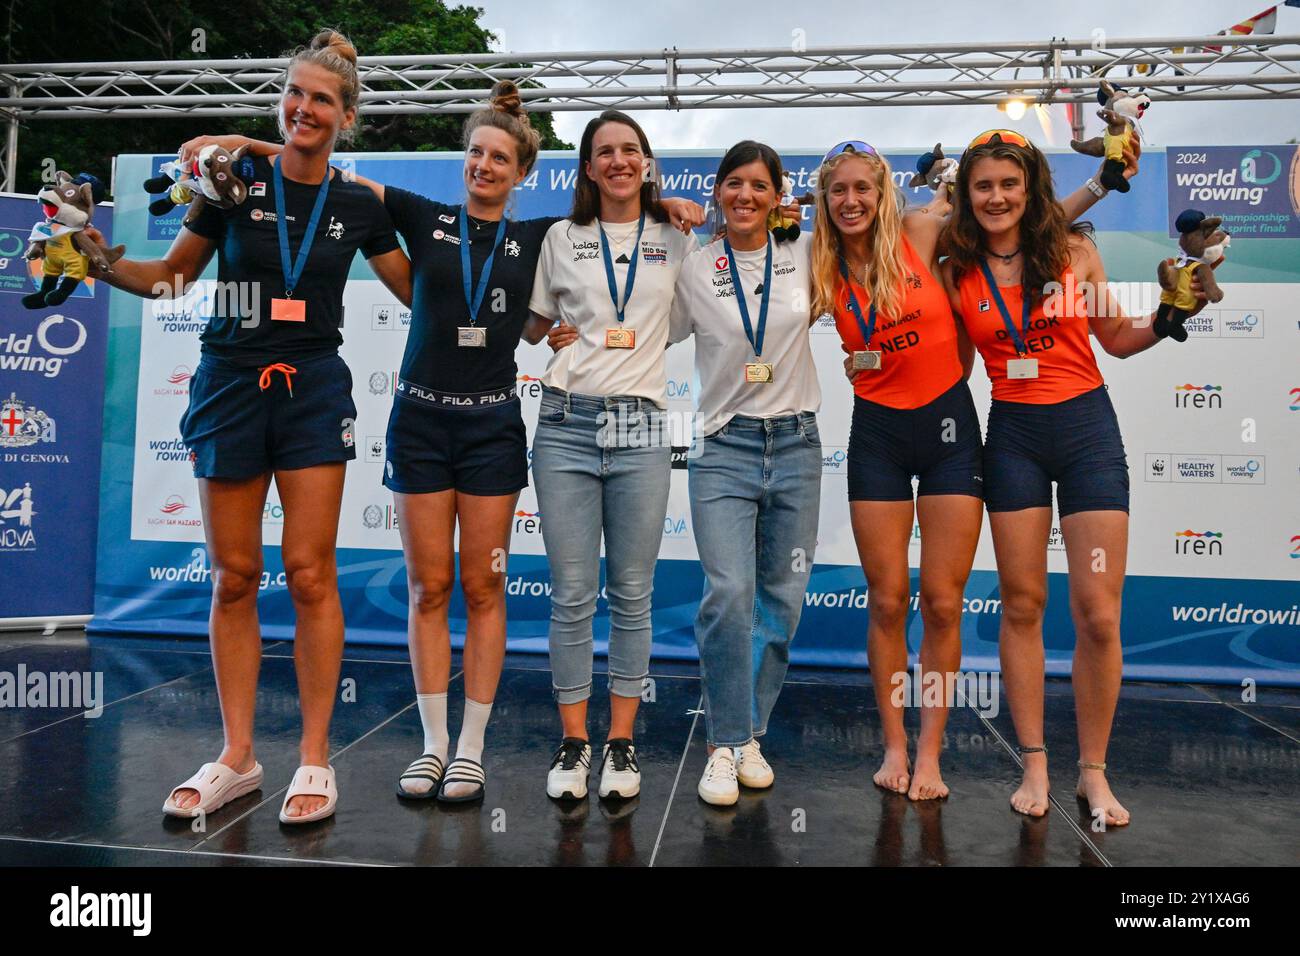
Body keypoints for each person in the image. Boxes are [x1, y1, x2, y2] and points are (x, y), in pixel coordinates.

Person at [90, 30, 412, 824]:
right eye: (295, 94)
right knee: (234, 576)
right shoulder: (232, 184)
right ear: (282, 100)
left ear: (348, 115)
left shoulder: (359, 203)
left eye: (323, 100)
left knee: (309, 574)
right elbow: (171, 279)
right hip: (230, 384)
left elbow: (421, 291)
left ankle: (312, 758)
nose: (305, 108)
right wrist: (98, 262)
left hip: (313, 390)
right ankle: (237, 754)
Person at [815, 137, 1139, 800]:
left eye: (862, 188)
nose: (851, 201)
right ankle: (899, 747)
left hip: (953, 431)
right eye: (838, 190)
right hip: (880, 431)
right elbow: (743, 256)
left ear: (884, 193)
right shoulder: (815, 257)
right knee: (888, 600)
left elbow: (1023, 221)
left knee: (944, 602)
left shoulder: (925, 232)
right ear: (824, 199)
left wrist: (1104, 185)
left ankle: (939, 755)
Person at [941, 128, 1206, 826]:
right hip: (1014, 438)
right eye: (983, 186)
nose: (996, 197)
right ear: (968, 196)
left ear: (1029, 189)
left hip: (1087, 431)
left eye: (1009, 183)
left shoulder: (1076, 251)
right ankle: (1035, 762)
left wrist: (1175, 313)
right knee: (1022, 605)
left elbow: (1116, 339)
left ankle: (1094, 773)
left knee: (1098, 611)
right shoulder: (957, 264)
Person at [523, 111, 704, 802]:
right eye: (606, 152)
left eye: (632, 150)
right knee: (571, 596)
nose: (620, 160)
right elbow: (537, 324)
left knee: (632, 594)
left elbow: (701, 314)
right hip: (567, 422)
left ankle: (621, 744)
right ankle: (573, 743)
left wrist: (680, 210)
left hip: (642, 424)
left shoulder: (676, 237)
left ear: (648, 163)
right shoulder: (559, 237)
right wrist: (553, 332)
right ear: (589, 168)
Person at [667, 141, 821, 807]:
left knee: (781, 602)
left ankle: (750, 734)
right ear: (718, 191)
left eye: (759, 185)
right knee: (729, 594)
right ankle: (723, 743)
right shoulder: (695, 264)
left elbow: (879, 235)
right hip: (722, 446)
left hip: (796, 444)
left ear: (777, 192)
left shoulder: (807, 254)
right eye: (734, 184)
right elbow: (646, 324)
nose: (745, 197)